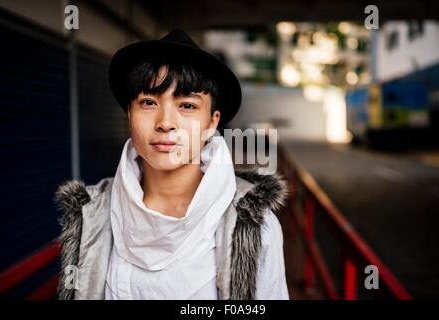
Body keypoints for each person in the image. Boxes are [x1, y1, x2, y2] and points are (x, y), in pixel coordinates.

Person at [55, 29, 289, 300]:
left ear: (212, 122)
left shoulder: (255, 226)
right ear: (130, 113)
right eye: (148, 102)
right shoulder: (89, 218)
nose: (165, 122)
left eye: (187, 105)